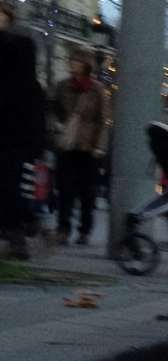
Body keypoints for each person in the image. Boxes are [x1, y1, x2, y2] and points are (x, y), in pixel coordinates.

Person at [0, 1, 47, 260]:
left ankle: (29, 222)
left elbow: (19, 95)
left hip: (15, 134)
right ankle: (19, 238)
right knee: (8, 187)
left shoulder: (19, 46)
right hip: (15, 133)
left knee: (8, 186)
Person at [50, 52, 111, 245]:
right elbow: (51, 109)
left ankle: (85, 229)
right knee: (65, 188)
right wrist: (56, 123)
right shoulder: (62, 86)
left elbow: (104, 120)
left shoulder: (97, 90)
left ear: (85, 65)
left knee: (87, 191)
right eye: (71, 60)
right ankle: (63, 228)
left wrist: (99, 146)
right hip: (67, 144)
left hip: (89, 147)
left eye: (76, 61)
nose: (72, 64)